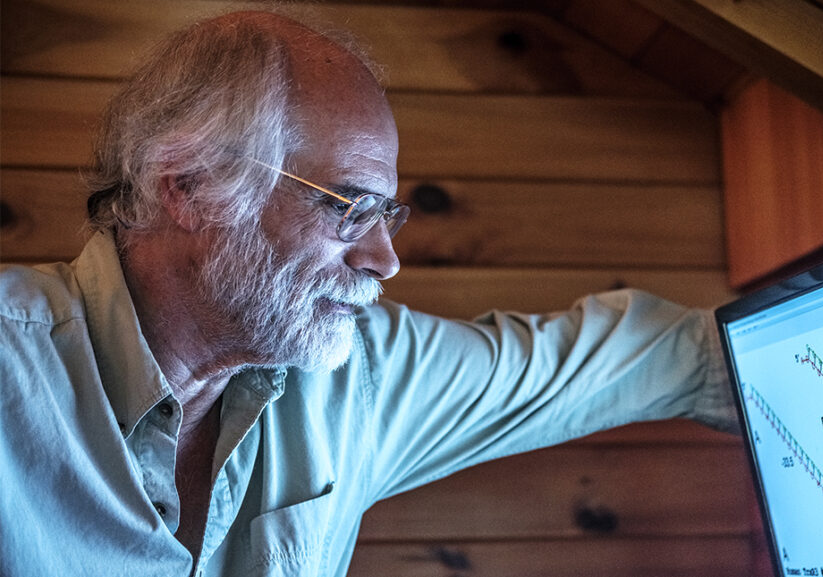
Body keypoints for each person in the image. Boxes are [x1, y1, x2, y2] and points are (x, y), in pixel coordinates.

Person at [0, 10, 737, 577]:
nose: (384, 259)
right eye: (347, 207)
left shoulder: (352, 368)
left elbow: (586, 365)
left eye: (386, 214)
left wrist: (790, 345)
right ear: (190, 187)